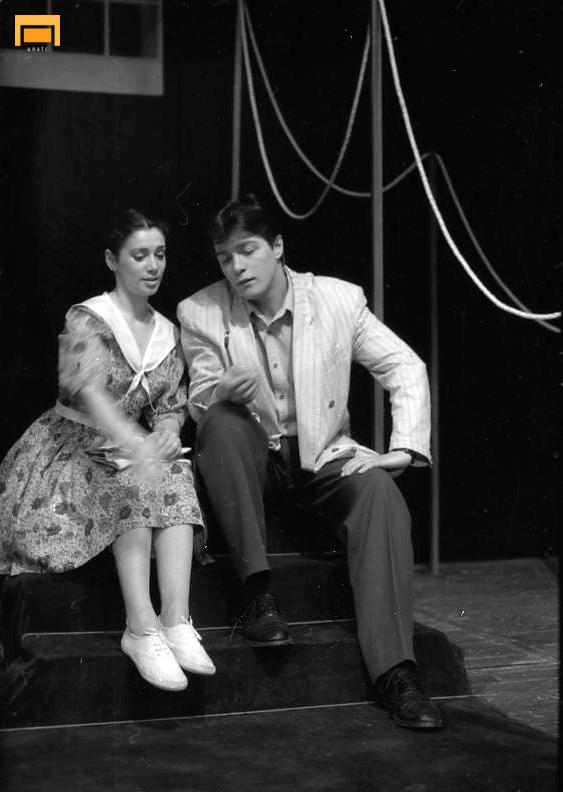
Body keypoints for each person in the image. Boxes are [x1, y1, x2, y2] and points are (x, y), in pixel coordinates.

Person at [177, 194, 443, 729]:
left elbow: (405, 366)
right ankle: (258, 596)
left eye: (248, 251)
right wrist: (218, 392)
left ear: (277, 246)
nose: (237, 267)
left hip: (321, 456)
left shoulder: (338, 299)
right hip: (251, 460)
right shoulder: (200, 311)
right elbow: (201, 398)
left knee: (379, 493)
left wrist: (404, 448)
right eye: (225, 258)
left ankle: (396, 672)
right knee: (222, 423)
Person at [0, 208, 215, 691]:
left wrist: (166, 430)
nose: (153, 266)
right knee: (131, 477)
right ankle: (140, 628)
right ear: (112, 260)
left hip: (128, 445)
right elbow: (87, 390)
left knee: (174, 473)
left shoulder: (166, 332)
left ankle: (176, 621)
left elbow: (169, 402)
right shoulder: (89, 317)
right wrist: (132, 440)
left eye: (159, 254)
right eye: (139, 256)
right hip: (69, 449)